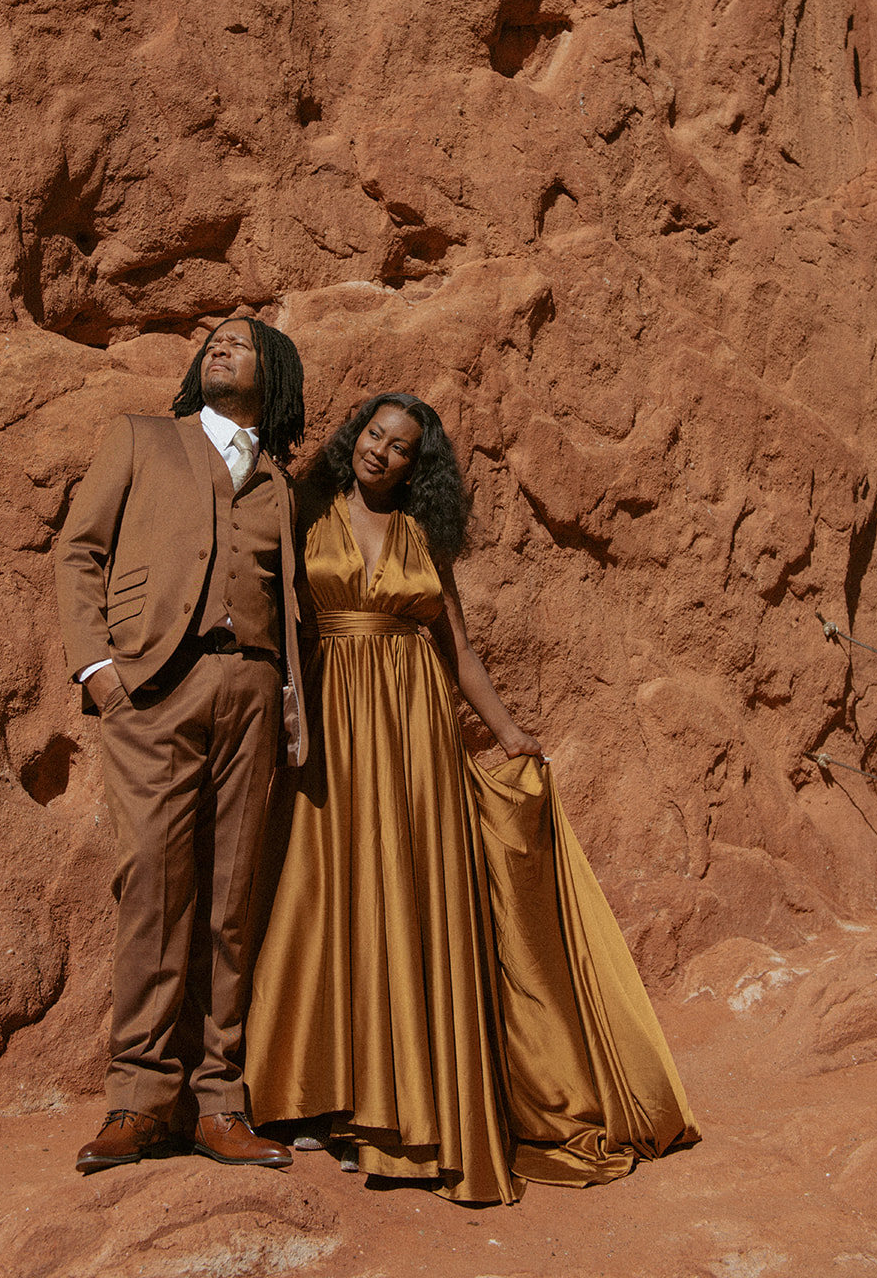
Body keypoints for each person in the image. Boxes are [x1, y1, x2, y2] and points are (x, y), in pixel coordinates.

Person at [244, 392, 699, 1202]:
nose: (383, 452)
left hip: (414, 733)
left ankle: (387, 1111)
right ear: (354, 439)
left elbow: (461, 653)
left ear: (421, 467)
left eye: (403, 448)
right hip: (332, 724)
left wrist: (511, 732)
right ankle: (311, 1096)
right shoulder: (307, 511)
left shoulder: (423, 536)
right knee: (325, 901)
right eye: (375, 436)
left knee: (404, 906)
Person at [55, 316, 307, 1174]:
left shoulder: (279, 483)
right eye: (212, 340)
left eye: (238, 341)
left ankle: (218, 1102)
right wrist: (98, 669)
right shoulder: (141, 440)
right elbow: (78, 551)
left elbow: (294, 604)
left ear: (272, 375)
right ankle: (139, 1100)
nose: (217, 347)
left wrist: (288, 701)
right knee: (154, 888)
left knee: (230, 900)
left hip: (251, 697)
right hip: (153, 690)